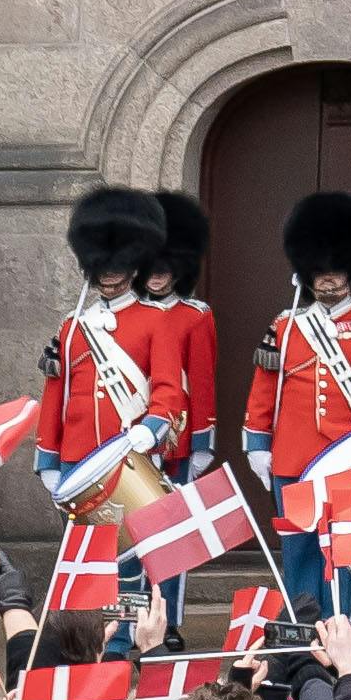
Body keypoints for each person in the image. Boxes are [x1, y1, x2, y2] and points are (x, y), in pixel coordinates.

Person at [257, 190, 351, 625]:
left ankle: (338, 629)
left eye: (335, 271)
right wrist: (257, 443)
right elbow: (264, 389)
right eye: (318, 272)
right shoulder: (285, 325)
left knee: (342, 549)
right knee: (300, 550)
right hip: (293, 455)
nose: (327, 280)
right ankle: (302, 630)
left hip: (349, 456)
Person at [40, 187, 184, 607]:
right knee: (84, 556)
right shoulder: (72, 326)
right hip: (78, 458)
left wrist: (152, 429)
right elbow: (56, 396)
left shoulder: (157, 321)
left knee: (130, 555)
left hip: (129, 456)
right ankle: (85, 636)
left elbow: (168, 389)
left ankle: (122, 641)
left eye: (118, 264)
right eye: (101, 264)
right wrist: (48, 458)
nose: (108, 273)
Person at [143, 191, 222, 478]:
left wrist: (202, 441)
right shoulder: (122, 315)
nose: (156, 275)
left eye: (164, 269)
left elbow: (201, 382)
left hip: (175, 436)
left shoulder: (195, 316)